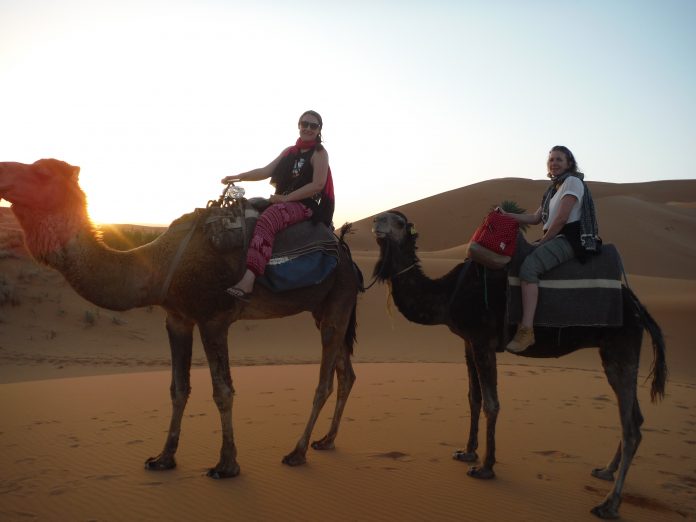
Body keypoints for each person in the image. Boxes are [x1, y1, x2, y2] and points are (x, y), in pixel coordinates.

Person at [220, 110, 335, 302]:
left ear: (319, 130)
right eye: (304, 124)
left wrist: (285, 199)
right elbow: (265, 171)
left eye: (313, 126)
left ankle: (249, 280)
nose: (308, 128)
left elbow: (318, 185)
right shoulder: (290, 151)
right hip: (283, 199)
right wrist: (238, 176)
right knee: (246, 209)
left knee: (269, 219)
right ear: (299, 125)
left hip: (304, 204)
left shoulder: (320, 154)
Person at [500, 145, 601, 353]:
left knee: (529, 268)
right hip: (554, 236)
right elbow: (535, 218)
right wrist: (506, 215)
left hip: (569, 238)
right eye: (551, 160)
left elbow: (562, 218)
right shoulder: (552, 190)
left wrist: (544, 241)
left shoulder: (572, 182)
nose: (554, 163)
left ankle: (526, 330)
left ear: (569, 163)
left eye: (559, 159)